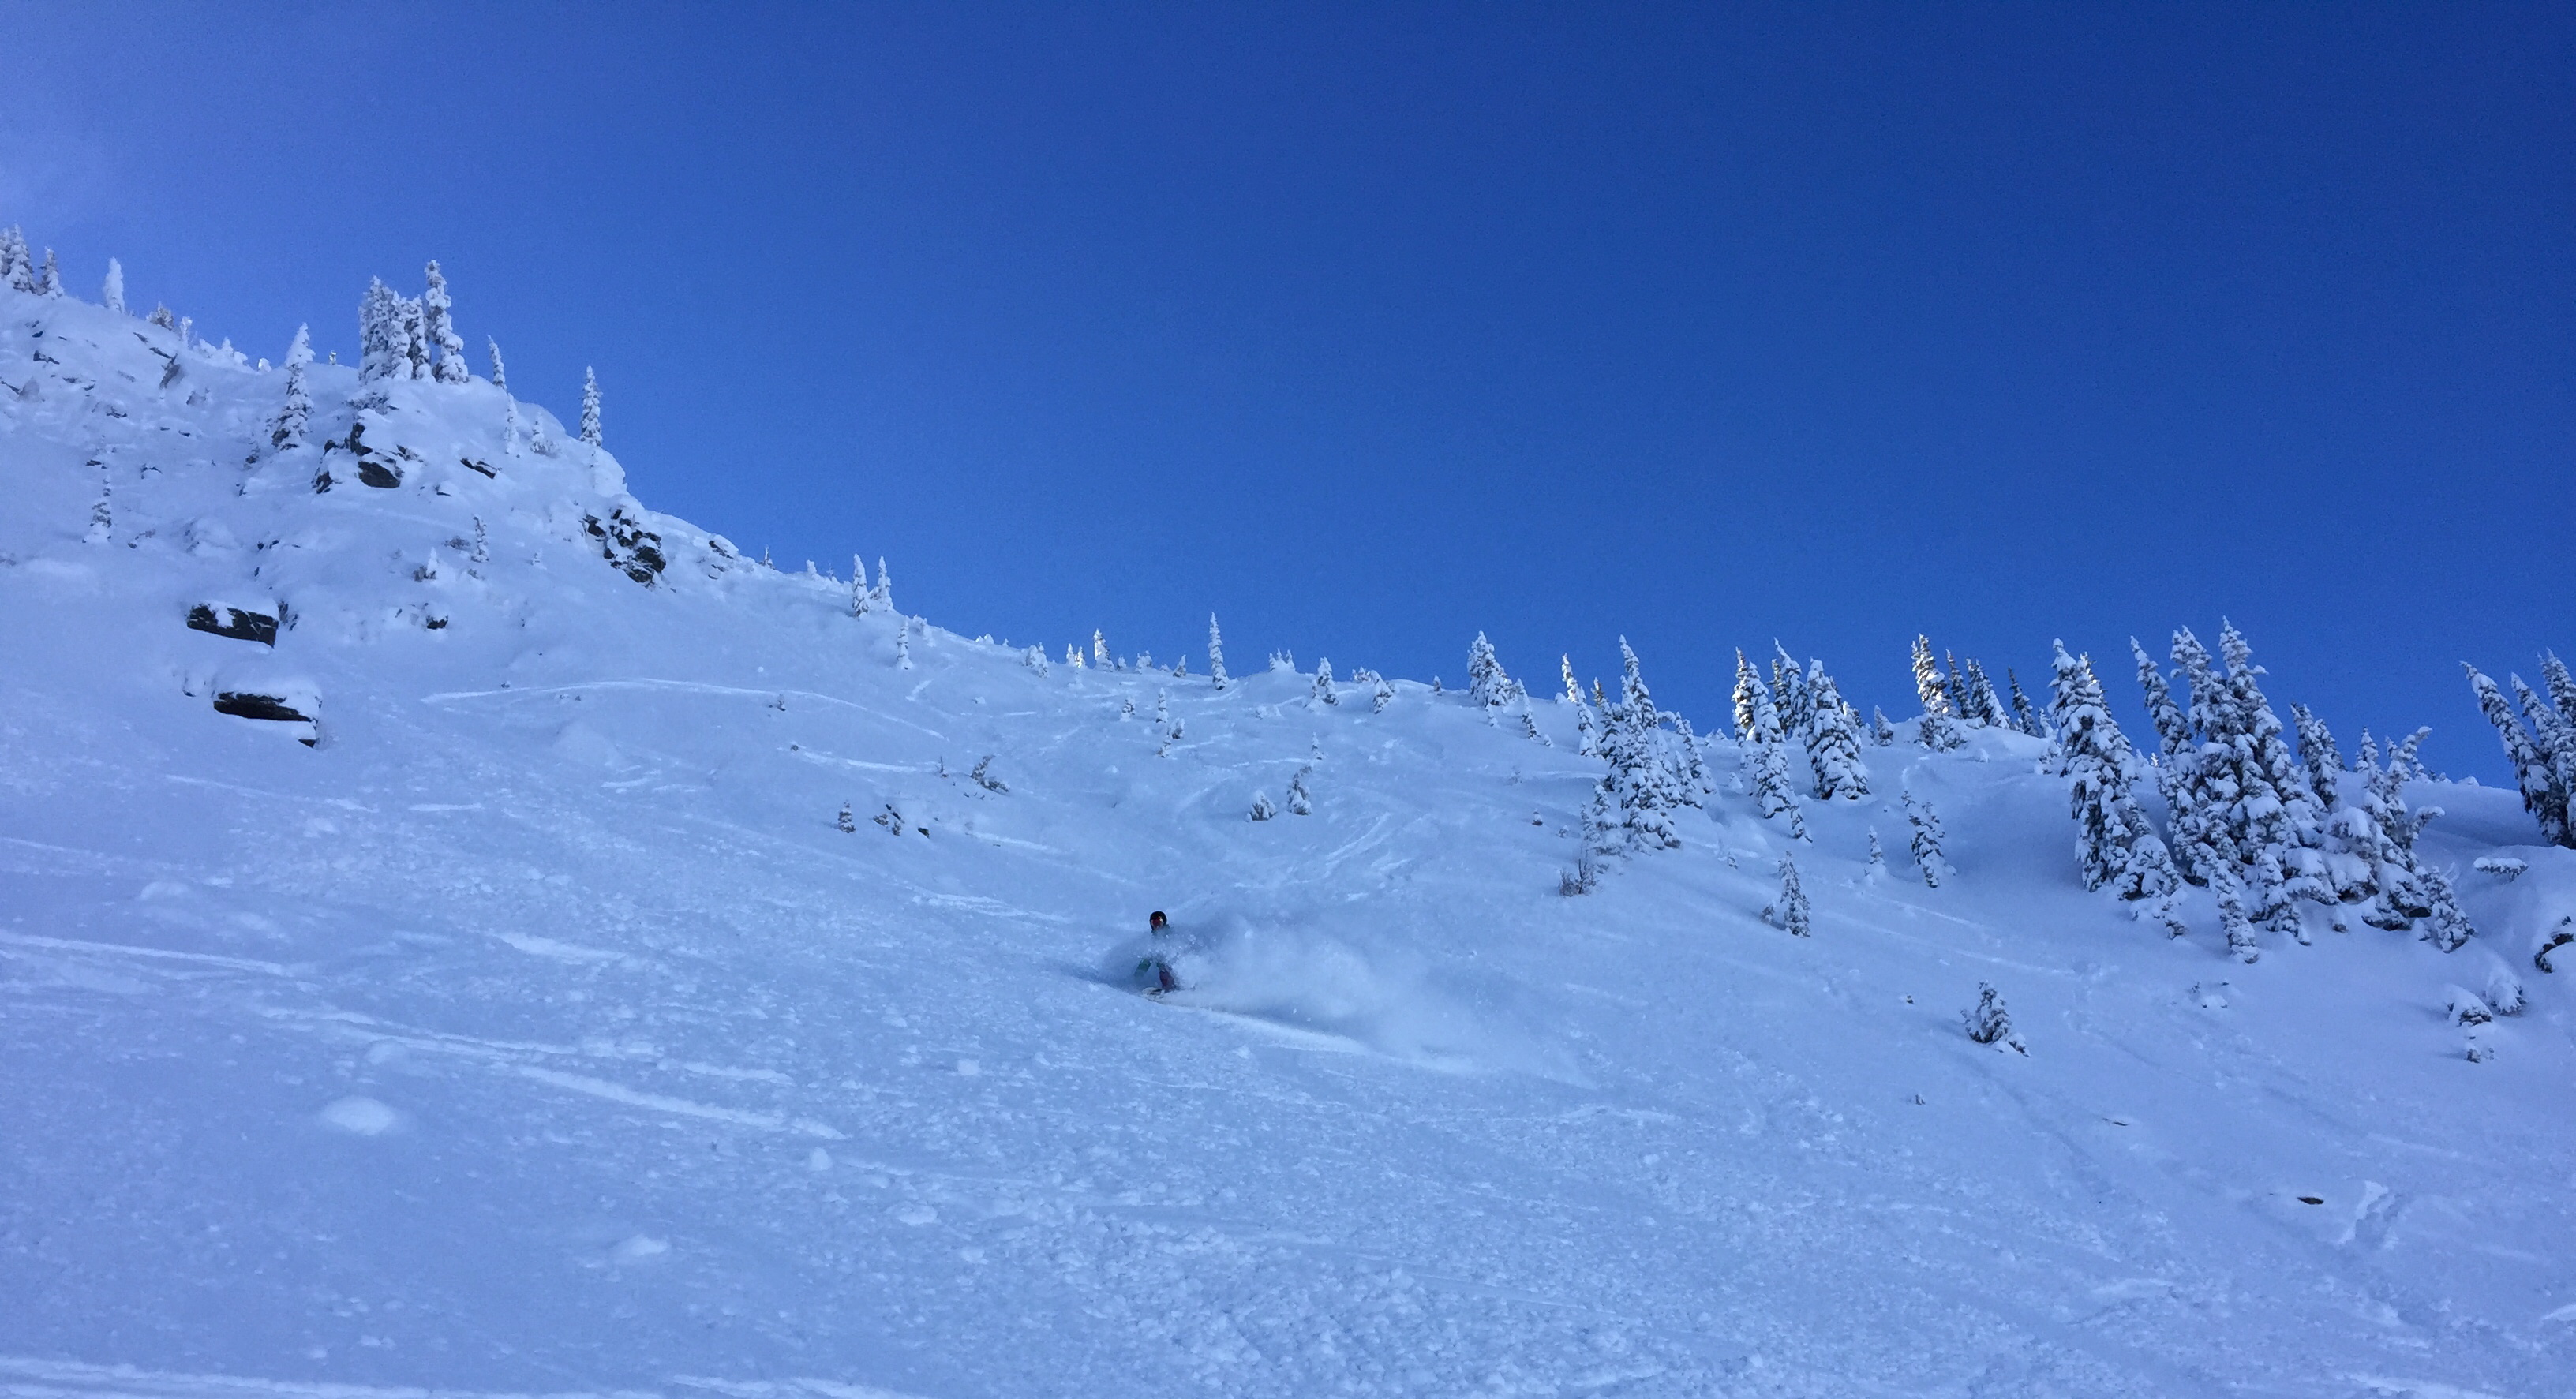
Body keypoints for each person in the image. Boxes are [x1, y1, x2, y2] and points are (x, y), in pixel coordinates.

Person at [1139, 910, 1178, 994]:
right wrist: (1137, 976)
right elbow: (1146, 961)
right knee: (1163, 970)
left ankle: (1178, 989)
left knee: (1166, 968)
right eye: (1154, 923)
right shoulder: (1154, 941)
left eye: (1159, 923)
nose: (1157, 927)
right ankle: (1169, 990)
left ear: (1164, 923)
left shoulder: (1171, 935)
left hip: (1177, 969)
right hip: (1166, 973)